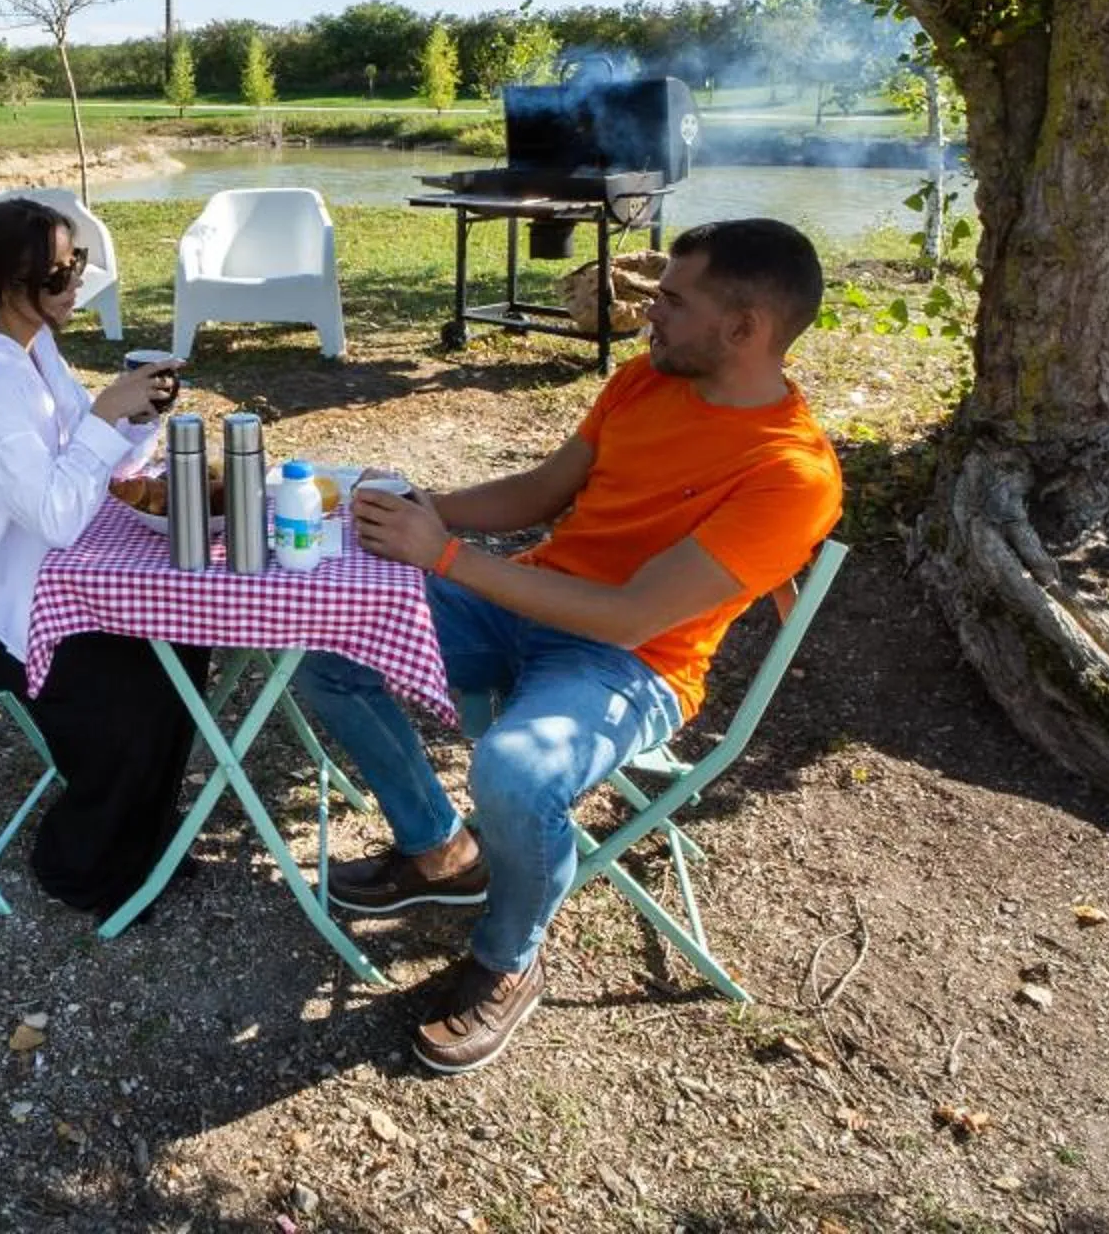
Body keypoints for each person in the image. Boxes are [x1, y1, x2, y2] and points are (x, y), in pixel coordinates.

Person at [310, 217, 844, 1075]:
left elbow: (630, 616)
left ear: (745, 329)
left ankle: (508, 959)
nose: (645, 311)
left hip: (632, 662)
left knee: (516, 774)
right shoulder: (644, 382)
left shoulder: (791, 475)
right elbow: (541, 490)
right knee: (330, 644)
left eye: (671, 298)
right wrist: (423, 508)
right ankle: (440, 850)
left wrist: (441, 556)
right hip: (526, 603)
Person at [0, 196, 207, 920]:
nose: (77, 282)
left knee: (181, 643)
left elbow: (88, 463)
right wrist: (105, 416)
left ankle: (144, 836)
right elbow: (57, 512)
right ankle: (82, 865)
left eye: (79, 264)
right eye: (61, 272)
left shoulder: (34, 349)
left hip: (41, 585)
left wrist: (137, 415)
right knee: (123, 687)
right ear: (12, 282)